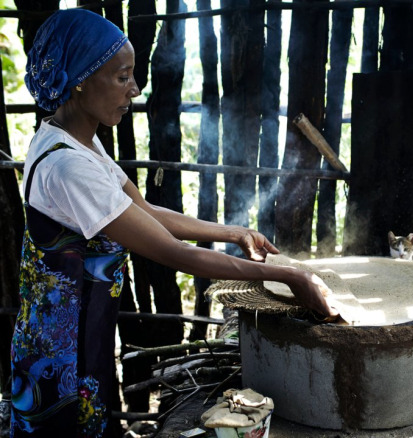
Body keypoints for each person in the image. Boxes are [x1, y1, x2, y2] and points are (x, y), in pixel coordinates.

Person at [10, 8, 338, 437]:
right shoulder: (70, 169)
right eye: (122, 77)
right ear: (80, 79)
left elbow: (142, 211)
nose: (135, 89)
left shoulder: (71, 138)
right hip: (58, 357)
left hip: (75, 335)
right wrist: (286, 276)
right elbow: (172, 252)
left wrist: (233, 232)